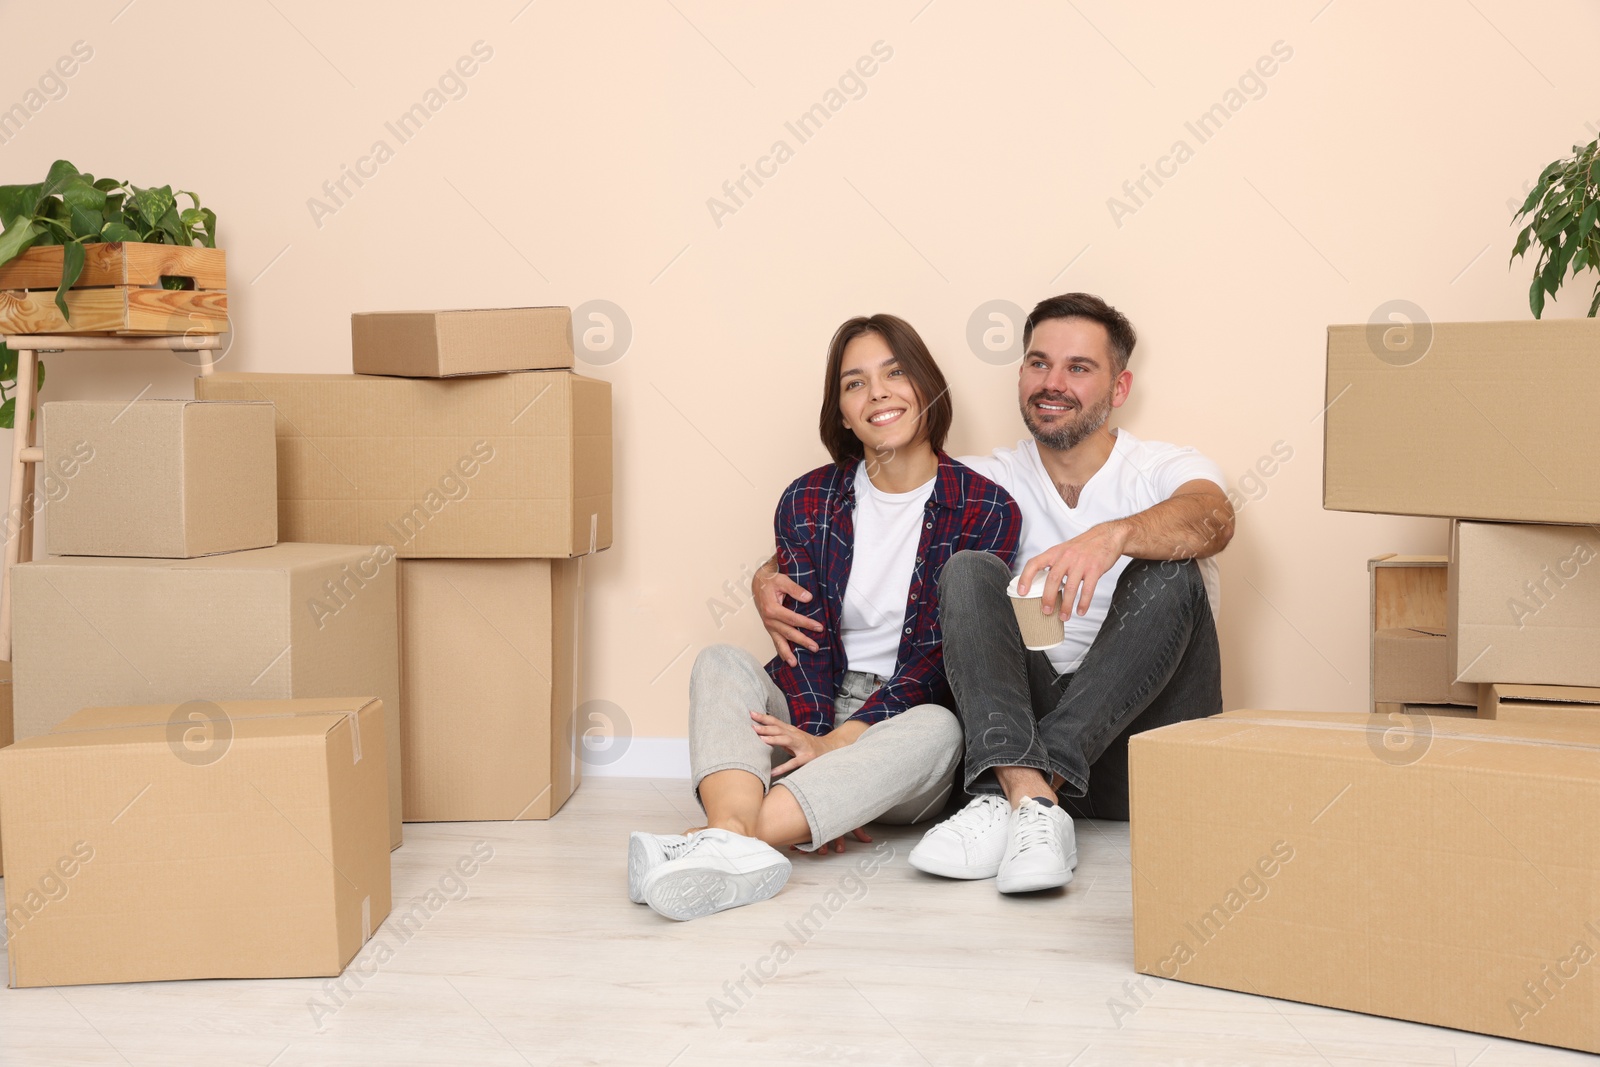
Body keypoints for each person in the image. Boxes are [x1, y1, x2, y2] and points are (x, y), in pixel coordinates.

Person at [756, 293, 1232, 894]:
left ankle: (1021, 791)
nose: (1052, 382)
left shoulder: (1163, 467)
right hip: (1020, 728)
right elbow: (869, 517)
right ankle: (1030, 800)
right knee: (968, 571)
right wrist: (764, 573)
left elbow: (1214, 520)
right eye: (1038, 363)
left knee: (1170, 574)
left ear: (1119, 387)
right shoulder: (990, 480)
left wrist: (1114, 537)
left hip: (1143, 750)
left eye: (1078, 368)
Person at [630, 313, 1022, 921]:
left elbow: (943, 660)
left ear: (926, 387)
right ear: (842, 412)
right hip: (806, 713)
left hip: (896, 735)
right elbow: (803, 647)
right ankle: (737, 835)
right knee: (720, 661)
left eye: (895, 373)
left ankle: (719, 842)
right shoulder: (809, 498)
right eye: (854, 383)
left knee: (940, 728)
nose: (878, 394)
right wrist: (810, 747)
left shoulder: (986, 505)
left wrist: (837, 746)